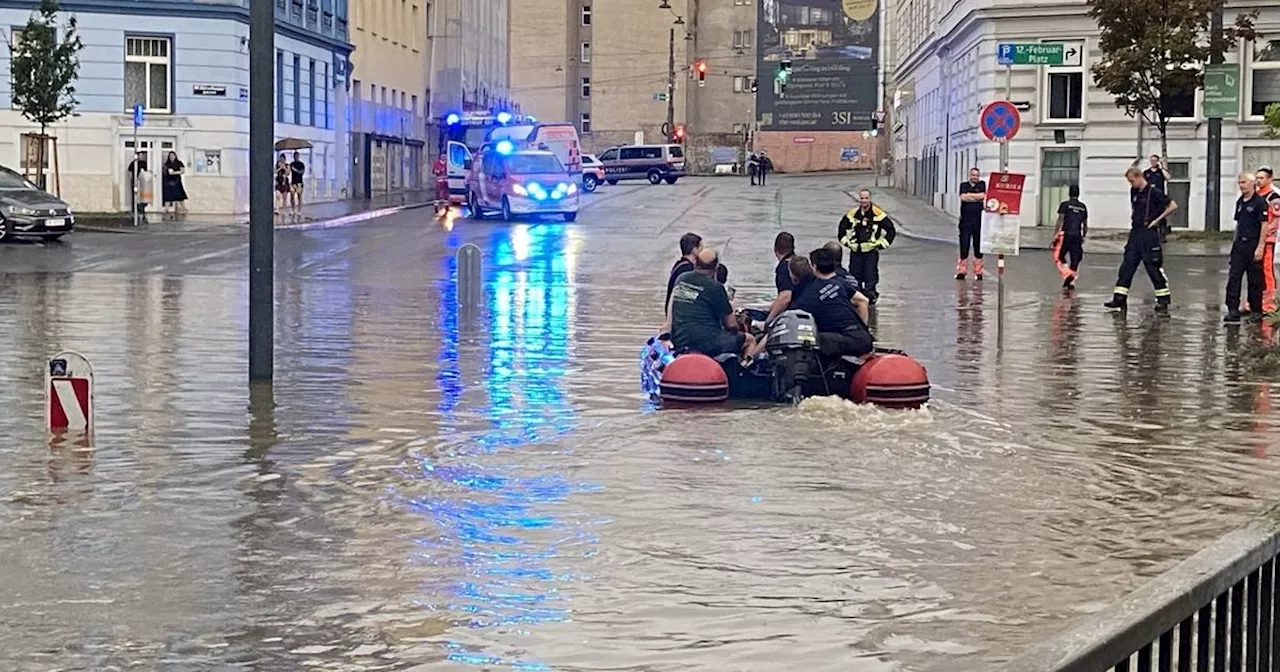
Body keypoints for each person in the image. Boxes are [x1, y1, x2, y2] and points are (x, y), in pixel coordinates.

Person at [665, 248, 763, 358]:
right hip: (708, 342)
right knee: (749, 340)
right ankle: (744, 369)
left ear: (695, 263)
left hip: (680, 339)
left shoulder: (681, 278)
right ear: (715, 268)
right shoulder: (716, 288)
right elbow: (730, 324)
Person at [1104, 167, 1177, 311]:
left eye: (1132, 181)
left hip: (1149, 234)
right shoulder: (1134, 192)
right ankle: (1119, 298)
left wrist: (1157, 220)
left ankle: (1163, 300)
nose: (1131, 185)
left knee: (1152, 266)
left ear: (1139, 177)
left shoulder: (1154, 192)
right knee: (1127, 265)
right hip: (1136, 233)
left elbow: (1172, 206)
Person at [791, 247, 874, 358]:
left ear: (814, 267)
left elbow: (792, 318)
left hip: (844, 341)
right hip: (864, 339)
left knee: (808, 338)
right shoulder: (841, 283)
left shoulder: (811, 295)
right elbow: (864, 301)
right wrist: (863, 327)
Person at [1225, 172, 1270, 324]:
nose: (1241, 185)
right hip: (1240, 246)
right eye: (1240, 183)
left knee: (1255, 279)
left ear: (1253, 184)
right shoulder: (1240, 202)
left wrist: (1260, 247)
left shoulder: (1259, 203)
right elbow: (1238, 224)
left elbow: (1264, 225)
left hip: (1253, 244)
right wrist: (1234, 243)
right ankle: (1232, 309)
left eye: (1244, 182)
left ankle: (1256, 310)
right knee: (1234, 277)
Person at [837, 188, 895, 303]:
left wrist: (881, 244)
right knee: (854, 278)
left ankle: (870, 300)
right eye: (862, 198)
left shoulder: (878, 214)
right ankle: (857, 300)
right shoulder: (853, 214)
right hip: (856, 252)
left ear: (870, 199)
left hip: (871, 253)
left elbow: (891, 230)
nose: (864, 201)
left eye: (866, 198)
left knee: (870, 277)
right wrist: (847, 243)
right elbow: (841, 229)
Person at [1254, 166, 1280, 314]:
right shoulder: (1256, 195)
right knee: (1255, 272)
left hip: (1268, 240)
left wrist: (1264, 234)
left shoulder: (1273, 197)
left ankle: (1270, 304)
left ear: (1270, 179)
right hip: (1255, 239)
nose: (1258, 181)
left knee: (1267, 271)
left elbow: (1275, 220)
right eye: (1257, 178)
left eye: (1261, 178)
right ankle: (1255, 301)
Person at [1052, 185, 1088, 289]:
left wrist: (1055, 234)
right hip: (1077, 236)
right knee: (1075, 259)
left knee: (1060, 256)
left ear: (1069, 193)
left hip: (1066, 235)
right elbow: (1085, 224)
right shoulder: (1083, 207)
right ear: (1078, 193)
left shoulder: (1065, 205)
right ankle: (1071, 281)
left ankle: (1068, 274)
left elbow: (1060, 219)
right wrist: (1083, 236)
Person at [957, 167, 987, 280]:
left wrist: (970, 196)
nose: (975, 177)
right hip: (965, 221)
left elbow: (983, 196)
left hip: (979, 221)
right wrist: (976, 197)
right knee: (964, 245)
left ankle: (978, 271)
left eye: (977, 175)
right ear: (969, 175)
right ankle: (962, 270)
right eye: (973, 175)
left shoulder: (982, 184)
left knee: (978, 246)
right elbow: (963, 197)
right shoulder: (963, 185)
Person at [665, 232, 703, 311]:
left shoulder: (679, 265)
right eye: (700, 248)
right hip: (679, 314)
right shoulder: (687, 269)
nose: (702, 251)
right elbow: (687, 295)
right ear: (694, 250)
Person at [764, 232, 797, 322]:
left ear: (775, 249)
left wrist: (768, 320)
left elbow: (785, 297)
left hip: (791, 314)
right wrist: (772, 308)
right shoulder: (798, 263)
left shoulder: (784, 267)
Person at [161, 151, 188, 218]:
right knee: (168, 195)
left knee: (180, 196)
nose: (171, 157)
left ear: (175, 156)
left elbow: (182, 171)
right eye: (170, 156)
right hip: (168, 181)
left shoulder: (179, 163)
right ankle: (166, 208)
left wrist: (175, 172)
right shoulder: (167, 163)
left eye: (172, 155)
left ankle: (184, 209)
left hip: (176, 181)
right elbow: (164, 171)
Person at [289, 151, 306, 217]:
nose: (295, 157)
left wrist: (295, 170)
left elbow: (302, 172)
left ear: (298, 156)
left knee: (299, 197)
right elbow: (288, 171)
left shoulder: (301, 164)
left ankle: (299, 211)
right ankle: (293, 210)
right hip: (293, 182)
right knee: (292, 196)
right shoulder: (292, 164)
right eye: (294, 156)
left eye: (296, 156)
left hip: (299, 182)